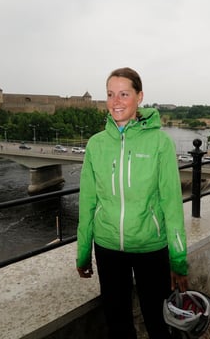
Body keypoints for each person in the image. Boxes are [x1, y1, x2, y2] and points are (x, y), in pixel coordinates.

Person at [76, 67, 189, 339]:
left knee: (158, 323)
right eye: (110, 94)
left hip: (150, 246)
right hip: (108, 247)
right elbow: (87, 202)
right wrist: (83, 252)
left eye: (124, 94)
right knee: (118, 325)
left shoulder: (160, 143)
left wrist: (178, 260)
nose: (116, 101)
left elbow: (172, 205)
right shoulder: (96, 145)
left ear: (140, 97)